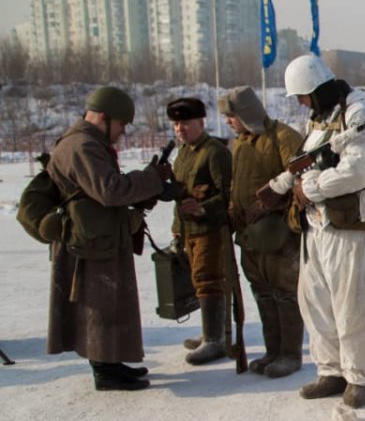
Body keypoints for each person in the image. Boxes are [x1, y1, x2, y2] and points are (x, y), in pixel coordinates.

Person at [260, 54, 365, 408]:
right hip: (317, 226)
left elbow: (361, 170)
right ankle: (330, 370)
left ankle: (358, 377)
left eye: (302, 96)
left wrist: (311, 188)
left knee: (353, 305)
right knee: (315, 301)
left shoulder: (358, 114)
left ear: (316, 89)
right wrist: (284, 185)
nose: (300, 103)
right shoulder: (322, 118)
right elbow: (304, 161)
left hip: (353, 227)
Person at [45, 86, 172, 390]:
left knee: (108, 303)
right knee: (98, 305)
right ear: (103, 117)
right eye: (120, 125)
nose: (121, 133)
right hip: (90, 244)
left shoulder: (87, 143)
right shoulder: (83, 146)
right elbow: (111, 190)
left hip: (97, 238)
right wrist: (152, 179)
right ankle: (104, 371)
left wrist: (146, 181)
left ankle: (111, 363)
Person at [219, 86, 306, 378]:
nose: (228, 121)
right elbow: (236, 184)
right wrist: (233, 209)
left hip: (279, 236)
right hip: (249, 237)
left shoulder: (284, 137)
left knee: (285, 293)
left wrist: (274, 206)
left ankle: (290, 355)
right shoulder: (240, 144)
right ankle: (273, 351)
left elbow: (301, 178)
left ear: (246, 113)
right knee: (263, 294)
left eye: (232, 115)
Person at [168, 97, 233, 367]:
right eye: (176, 124)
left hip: (210, 229)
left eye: (186, 123)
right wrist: (176, 229)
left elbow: (229, 195)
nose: (180, 129)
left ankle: (215, 340)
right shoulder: (183, 153)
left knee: (209, 279)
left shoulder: (214, 152)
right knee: (198, 281)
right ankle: (212, 331)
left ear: (200, 122)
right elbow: (179, 195)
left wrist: (204, 208)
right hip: (188, 230)